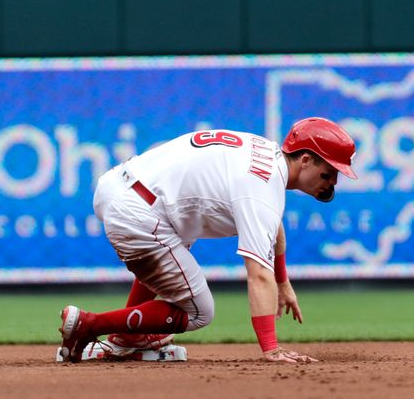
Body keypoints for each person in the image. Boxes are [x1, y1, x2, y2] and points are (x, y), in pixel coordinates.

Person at [59, 117, 357, 364]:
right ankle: (88, 324)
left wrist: (283, 281)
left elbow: (271, 222)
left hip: (125, 189)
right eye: (329, 172)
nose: (332, 183)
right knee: (201, 311)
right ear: (305, 160)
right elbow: (257, 275)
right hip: (139, 213)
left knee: (176, 246)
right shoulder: (262, 187)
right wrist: (272, 349)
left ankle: (127, 340)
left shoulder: (267, 157)